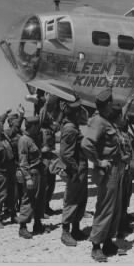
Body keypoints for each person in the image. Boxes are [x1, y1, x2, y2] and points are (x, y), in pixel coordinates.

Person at [81, 85, 124, 262]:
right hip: (107, 170)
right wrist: (98, 161)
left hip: (115, 167)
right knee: (105, 208)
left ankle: (107, 241)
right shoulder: (98, 121)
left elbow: (105, 98)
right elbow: (86, 144)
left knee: (114, 208)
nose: (113, 105)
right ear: (106, 105)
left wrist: (109, 85)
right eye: (111, 102)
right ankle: (96, 246)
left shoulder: (107, 119)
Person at [59, 96, 89, 247]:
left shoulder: (74, 126)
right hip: (75, 170)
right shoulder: (70, 129)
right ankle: (65, 232)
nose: (80, 113)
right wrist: (74, 169)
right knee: (71, 200)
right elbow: (65, 154)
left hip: (80, 169)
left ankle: (76, 229)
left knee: (80, 199)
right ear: (73, 113)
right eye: (77, 111)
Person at [112, 92, 134, 238]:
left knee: (126, 195)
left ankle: (124, 218)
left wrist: (128, 102)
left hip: (127, 171)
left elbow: (123, 114)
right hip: (120, 171)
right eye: (123, 119)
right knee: (120, 198)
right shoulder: (116, 133)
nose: (126, 120)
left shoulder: (123, 131)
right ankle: (119, 227)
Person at [16, 116, 47, 239]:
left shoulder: (33, 138)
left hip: (39, 172)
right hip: (32, 174)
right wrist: (27, 177)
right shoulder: (24, 140)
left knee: (40, 199)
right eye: (37, 126)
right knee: (28, 200)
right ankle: (22, 227)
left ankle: (38, 224)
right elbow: (23, 161)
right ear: (33, 126)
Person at [39, 93, 61, 217]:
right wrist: (46, 103)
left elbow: (57, 123)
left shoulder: (50, 128)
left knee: (51, 184)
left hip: (51, 159)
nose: (49, 117)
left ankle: (46, 206)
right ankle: (41, 209)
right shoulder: (40, 127)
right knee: (45, 184)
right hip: (43, 159)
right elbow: (42, 116)